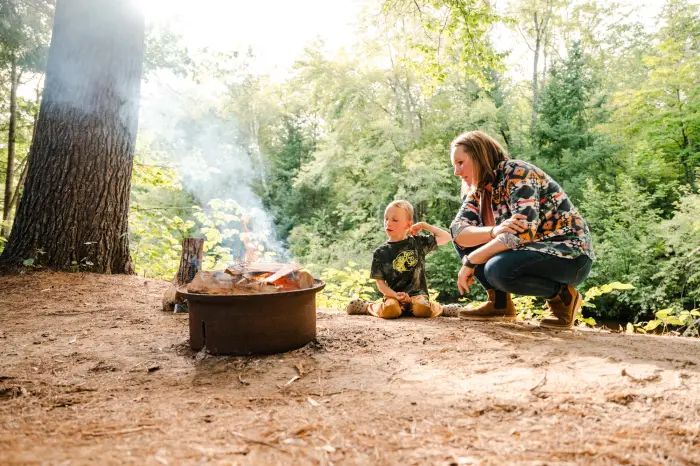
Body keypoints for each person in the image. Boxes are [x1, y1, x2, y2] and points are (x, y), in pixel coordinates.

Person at [449, 130, 595, 329]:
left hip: (569, 255)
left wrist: (471, 260)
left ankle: (563, 298)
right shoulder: (479, 190)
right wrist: (494, 231)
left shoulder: (517, 173)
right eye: (454, 165)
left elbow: (520, 234)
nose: (456, 172)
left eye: (460, 163)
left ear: (479, 156)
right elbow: (458, 232)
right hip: (531, 253)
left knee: (497, 269)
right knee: (476, 245)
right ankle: (499, 304)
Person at [346, 200, 452, 319]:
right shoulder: (380, 253)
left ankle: (441, 308)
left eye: (395, 220)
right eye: (386, 219)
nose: (388, 223)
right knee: (391, 310)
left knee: (422, 309)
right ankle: (368, 307)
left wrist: (424, 225)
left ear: (408, 225)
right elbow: (380, 284)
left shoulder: (418, 243)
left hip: (418, 296)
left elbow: (447, 237)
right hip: (394, 297)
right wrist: (395, 296)